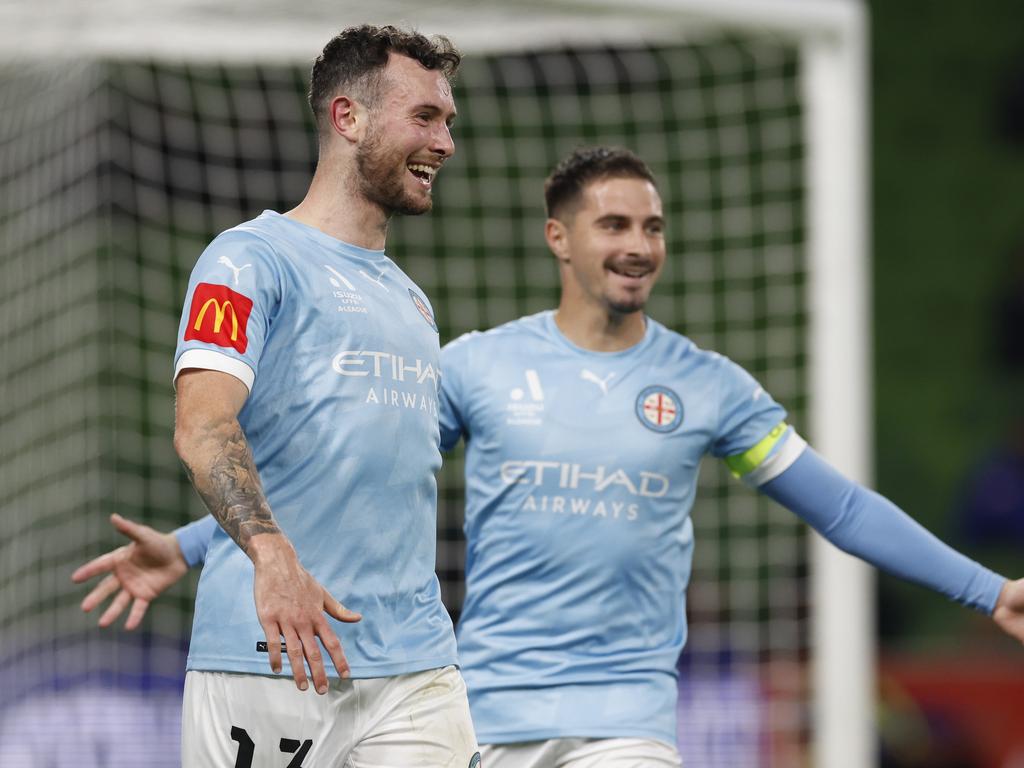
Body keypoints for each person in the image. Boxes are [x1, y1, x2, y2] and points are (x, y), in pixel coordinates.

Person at [76, 147, 1024, 767]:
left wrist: (988, 590)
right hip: (478, 714)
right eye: (614, 225)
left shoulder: (711, 389)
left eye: (652, 227)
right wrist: (197, 545)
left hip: (626, 725)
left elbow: (841, 509)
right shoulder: (477, 368)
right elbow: (355, 476)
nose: (638, 245)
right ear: (558, 239)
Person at [74, 24, 481, 767]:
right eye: (425, 116)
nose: (445, 141)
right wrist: (267, 557)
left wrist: (190, 546)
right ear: (348, 118)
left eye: (447, 121)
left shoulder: (414, 302)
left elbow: (345, 478)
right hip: (273, 654)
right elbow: (203, 427)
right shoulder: (248, 261)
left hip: (416, 665)